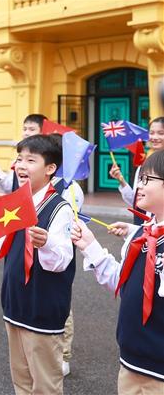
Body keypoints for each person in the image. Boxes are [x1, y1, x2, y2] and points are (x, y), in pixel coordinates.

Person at [0, 134, 75, 395]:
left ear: (50, 168)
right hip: (15, 303)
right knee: (21, 380)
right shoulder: (18, 201)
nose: (21, 165)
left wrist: (46, 243)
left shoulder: (60, 208)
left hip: (42, 309)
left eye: (30, 160)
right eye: (19, 159)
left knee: (45, 385)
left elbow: (62, 260)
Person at [71, 150, 164, 394]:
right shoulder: (142, 234)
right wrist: (90, 246)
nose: (138, 185)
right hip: (131, 360)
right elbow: (123, 285)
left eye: (147, 179)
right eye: (139, 178)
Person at [109, 117, 164, 224]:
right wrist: (121, 181)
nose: (154, 137)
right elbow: (136, 201)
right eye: (151, 133)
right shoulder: (143, 167)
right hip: (144, 229)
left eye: (161, 133)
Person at [0, 114, 48, 193]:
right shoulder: (17, 159)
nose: (26, 133)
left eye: (32, 129)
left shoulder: (48, 158)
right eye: (24, 129)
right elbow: (12, 186)